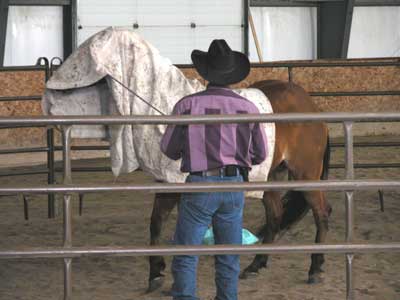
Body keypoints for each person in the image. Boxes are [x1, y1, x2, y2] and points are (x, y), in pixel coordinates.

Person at [160, 39, 267, 300]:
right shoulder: (249, 108)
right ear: (232, 75)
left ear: (206, 73)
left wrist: (191, 144)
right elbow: (260, 154)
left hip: (201, 184)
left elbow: (169, 149)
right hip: (234, 186)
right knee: (229, 254)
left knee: (186, 252)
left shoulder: (187, 106)